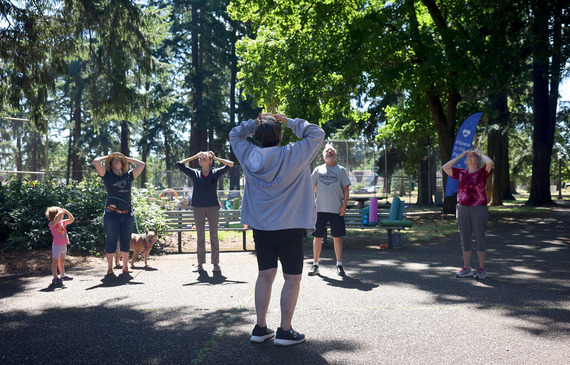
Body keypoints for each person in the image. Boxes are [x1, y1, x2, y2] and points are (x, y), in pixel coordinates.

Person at [230, 112, 324, 346]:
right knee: (292, 278)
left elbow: (234, 133)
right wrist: (289, 121)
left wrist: (256, 123)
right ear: (281, 134)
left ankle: (260, 327)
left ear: (258, 136)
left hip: (262, 227)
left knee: (265, 274)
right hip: (290, 226)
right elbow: (317, 132)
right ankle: (284, 330)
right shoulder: (294, 153)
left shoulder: (249, 153)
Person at [176, 151, 234, 273]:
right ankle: (200, 264)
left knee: (214, 236)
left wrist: (216, 157)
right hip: (198, 207)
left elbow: (231, 164)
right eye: (201, 158)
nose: (203, 158)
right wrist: (195, 156)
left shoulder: (215, 173)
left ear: (210, 161)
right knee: (200, 236)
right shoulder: (195, 173)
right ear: (199, 162)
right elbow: (179, 164)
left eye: (206, 157)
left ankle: (216, 264)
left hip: (213, 207)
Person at [442, 148, 494, 279]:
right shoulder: (461, 173)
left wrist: (481, 153)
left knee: (479, 237)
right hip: (462, 208)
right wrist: (460, 156)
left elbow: (491, 163)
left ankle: (481, 269)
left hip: (478, 208)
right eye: (468, 157)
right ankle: (467, 268)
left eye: (472, 156)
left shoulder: (482, 172)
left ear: (476, 160)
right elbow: (445, 167)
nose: (469, 157)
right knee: (465, 238)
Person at [93, 152, 145, 276]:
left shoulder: (128, 176)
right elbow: (96, 161)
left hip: (127, 214)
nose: (117, 161)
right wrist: (109, 157)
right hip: (112, 214)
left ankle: (125, 267)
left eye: (119, 161)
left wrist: (125, 157)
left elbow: (142, 164)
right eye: (115, 161)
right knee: (111, 240)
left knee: (126, 240)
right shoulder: (107, 175)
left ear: (123, 164)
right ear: (110, 165)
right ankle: (110, 268)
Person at [308, 144, 351, 277]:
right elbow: (312, 189)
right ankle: (315, 265)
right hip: (319, 210)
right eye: (327, 151)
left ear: (336, 155)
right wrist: (311, 206)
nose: (329, 152)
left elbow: (346, 189)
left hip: (336, 210)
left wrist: (344, 206)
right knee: (317, 238)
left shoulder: (341, 170)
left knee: (337, 238)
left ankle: (339, 265)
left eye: (332, 151)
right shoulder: (317, 170)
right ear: (323, 155)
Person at [45, 206, 75, 284]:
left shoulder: (62, 222)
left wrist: (66, 211)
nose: (61, 216)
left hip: (63, 245)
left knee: (61, 261)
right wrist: (60, 213)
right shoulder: (52, 224)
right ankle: (55, 277)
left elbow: (72, 219)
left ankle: (62, 275)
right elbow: (55, 221)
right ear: (55, 216)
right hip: (57, 246)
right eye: (58, 214)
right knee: (55, 261)